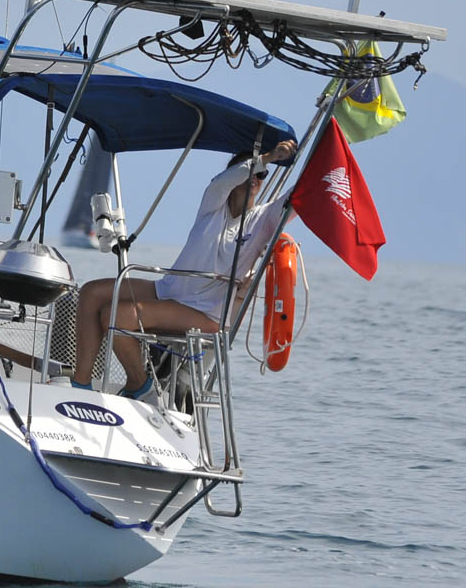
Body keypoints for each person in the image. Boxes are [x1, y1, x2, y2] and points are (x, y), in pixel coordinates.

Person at [69, 138, 298, 398]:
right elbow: (221, 182)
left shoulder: (264, 218)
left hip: (206, 312)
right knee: (90, 292)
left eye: (261, 175)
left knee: (116, 316)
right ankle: (81, 384)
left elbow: (298, 197)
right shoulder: (213, 203)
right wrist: (266, 158)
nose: (256, 177)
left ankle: (140, 386)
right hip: (170, 289)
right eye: (251, 171)